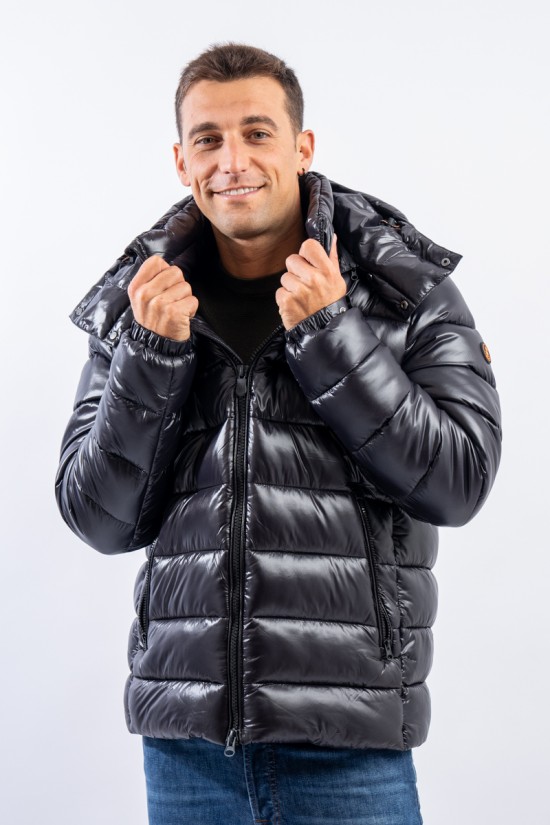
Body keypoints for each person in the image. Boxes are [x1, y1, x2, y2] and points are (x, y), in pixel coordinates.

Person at [55, 43, 502, 825]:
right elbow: (98, 518)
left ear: (302, 146)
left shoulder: (404, 289)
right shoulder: (142, 305)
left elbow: (458, 481)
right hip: (187, 747)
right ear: (181, 160)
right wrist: (150, 357)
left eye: (257, 133)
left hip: (349, 741)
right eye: (209, 139)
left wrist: (333, 334)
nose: (233, 160)